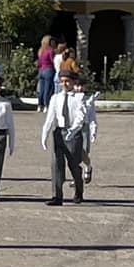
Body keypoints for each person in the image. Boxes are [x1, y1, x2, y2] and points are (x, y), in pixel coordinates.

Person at [41, 71, 95, 206]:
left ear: (73, 82)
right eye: (62, 81)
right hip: (58, 132)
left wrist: (74, 129)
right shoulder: (55, 98)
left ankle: (78, 189)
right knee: (56, 165)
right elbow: (50, 118)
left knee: (73, 164)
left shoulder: (79, 97)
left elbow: (80, 116)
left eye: (67, 81)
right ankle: (57, 196)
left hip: (73, 133)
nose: (65, 84)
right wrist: (45, 134)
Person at [35, 35, 58, 111]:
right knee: (47, 89)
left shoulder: (41, 51)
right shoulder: (50, 51)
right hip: (49, 70)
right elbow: (53, 61)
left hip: (41, 70)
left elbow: (39, 62)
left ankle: (40, 105)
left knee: (41, 89)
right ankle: (46, 105)